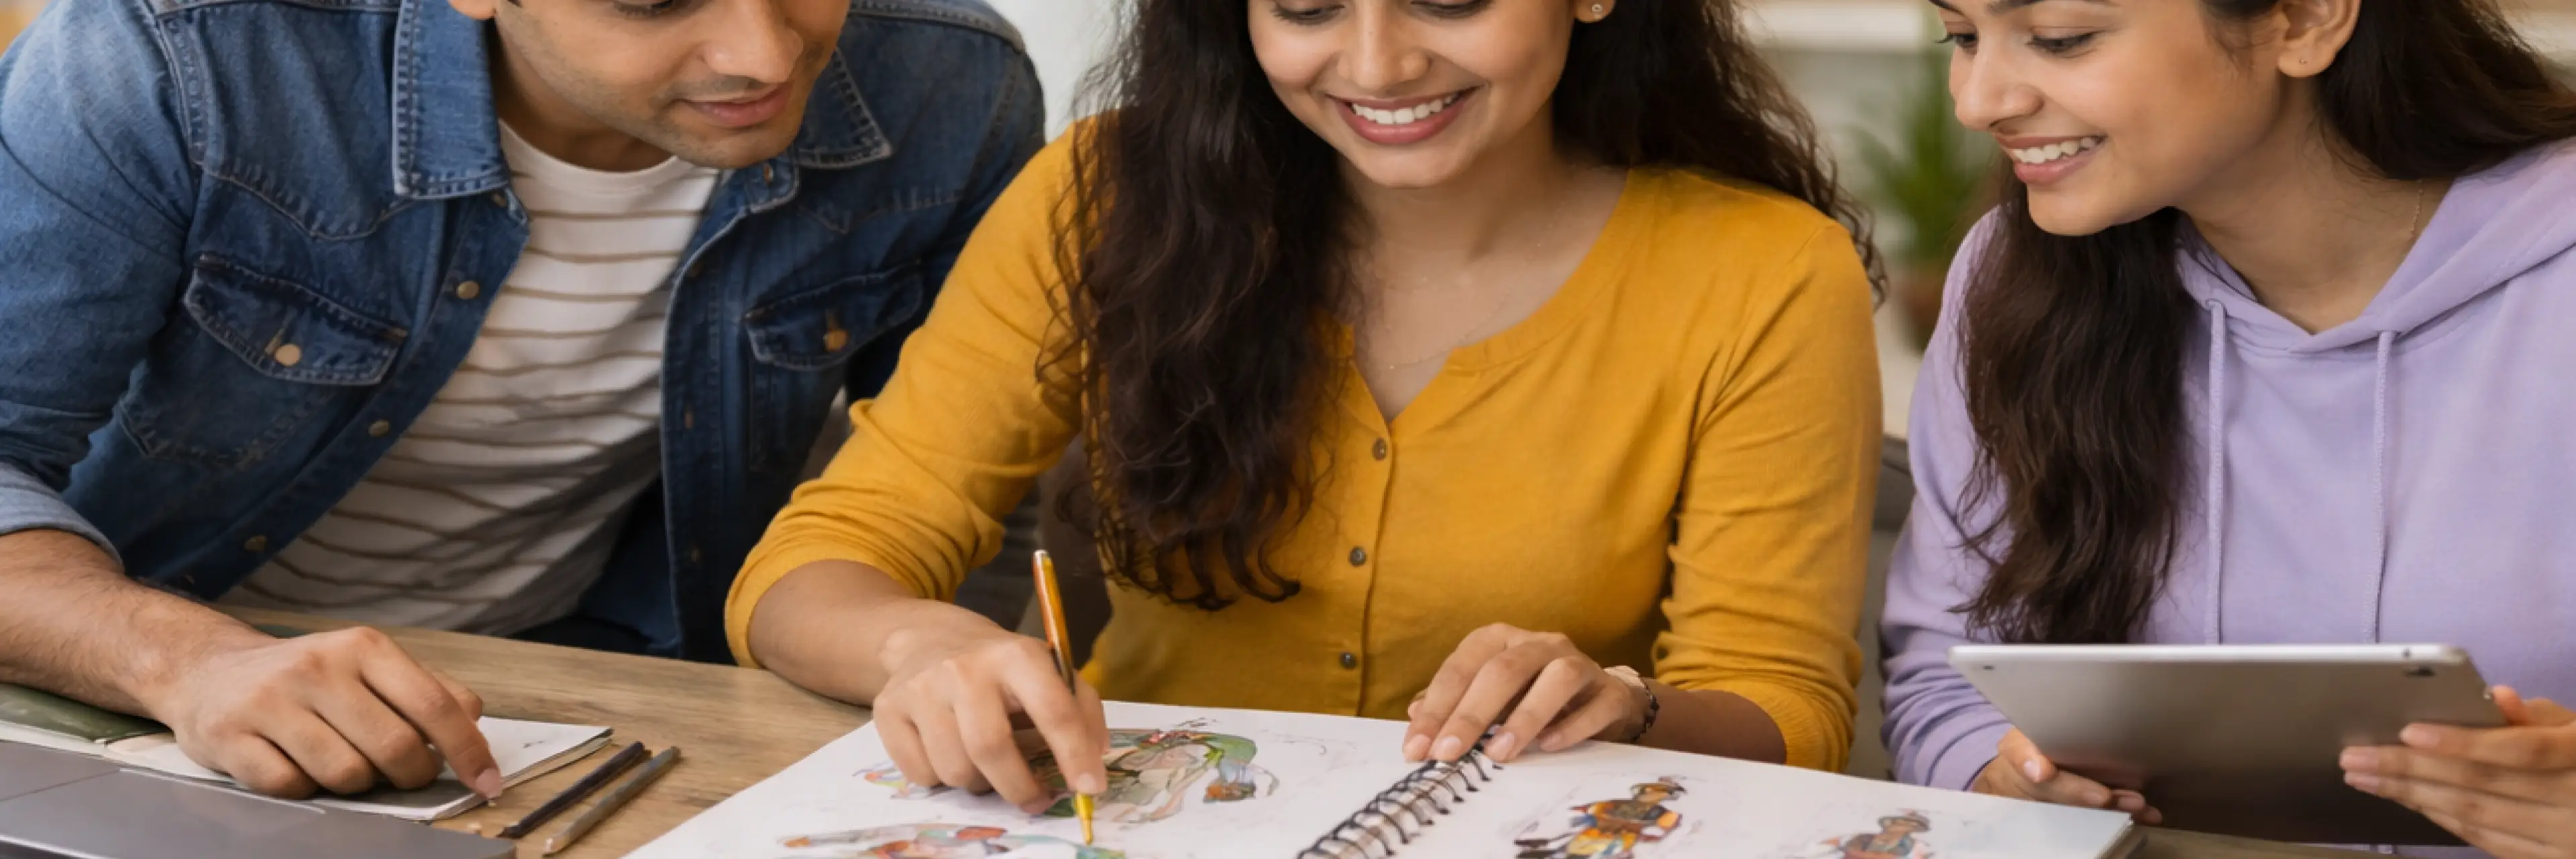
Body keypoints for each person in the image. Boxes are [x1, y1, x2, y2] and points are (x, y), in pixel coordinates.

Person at [733, 0, 1882, 817]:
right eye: (1307, 5)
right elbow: (815, 560)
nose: (1377, 65)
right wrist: (918, 642)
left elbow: (1785, 707)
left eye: (1449, 0)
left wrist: (1625, 708)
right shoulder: (1103, 199)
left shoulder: (1768, 272)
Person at [0, 0, 1040, 799]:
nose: (764, 54)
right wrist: (187, 662)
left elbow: (942, 482)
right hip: (144, 691)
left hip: (614, 694)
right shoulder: (173, 57)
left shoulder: (952, 78)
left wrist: (955, 681)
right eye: (652, 2)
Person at [1881, 0, 2576, 854]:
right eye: (1962, 38)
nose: (1978, 101)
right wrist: (1999, 777)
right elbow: (1945, 676)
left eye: (2061, 38)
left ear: (2306, 19)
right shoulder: (2014, 276)